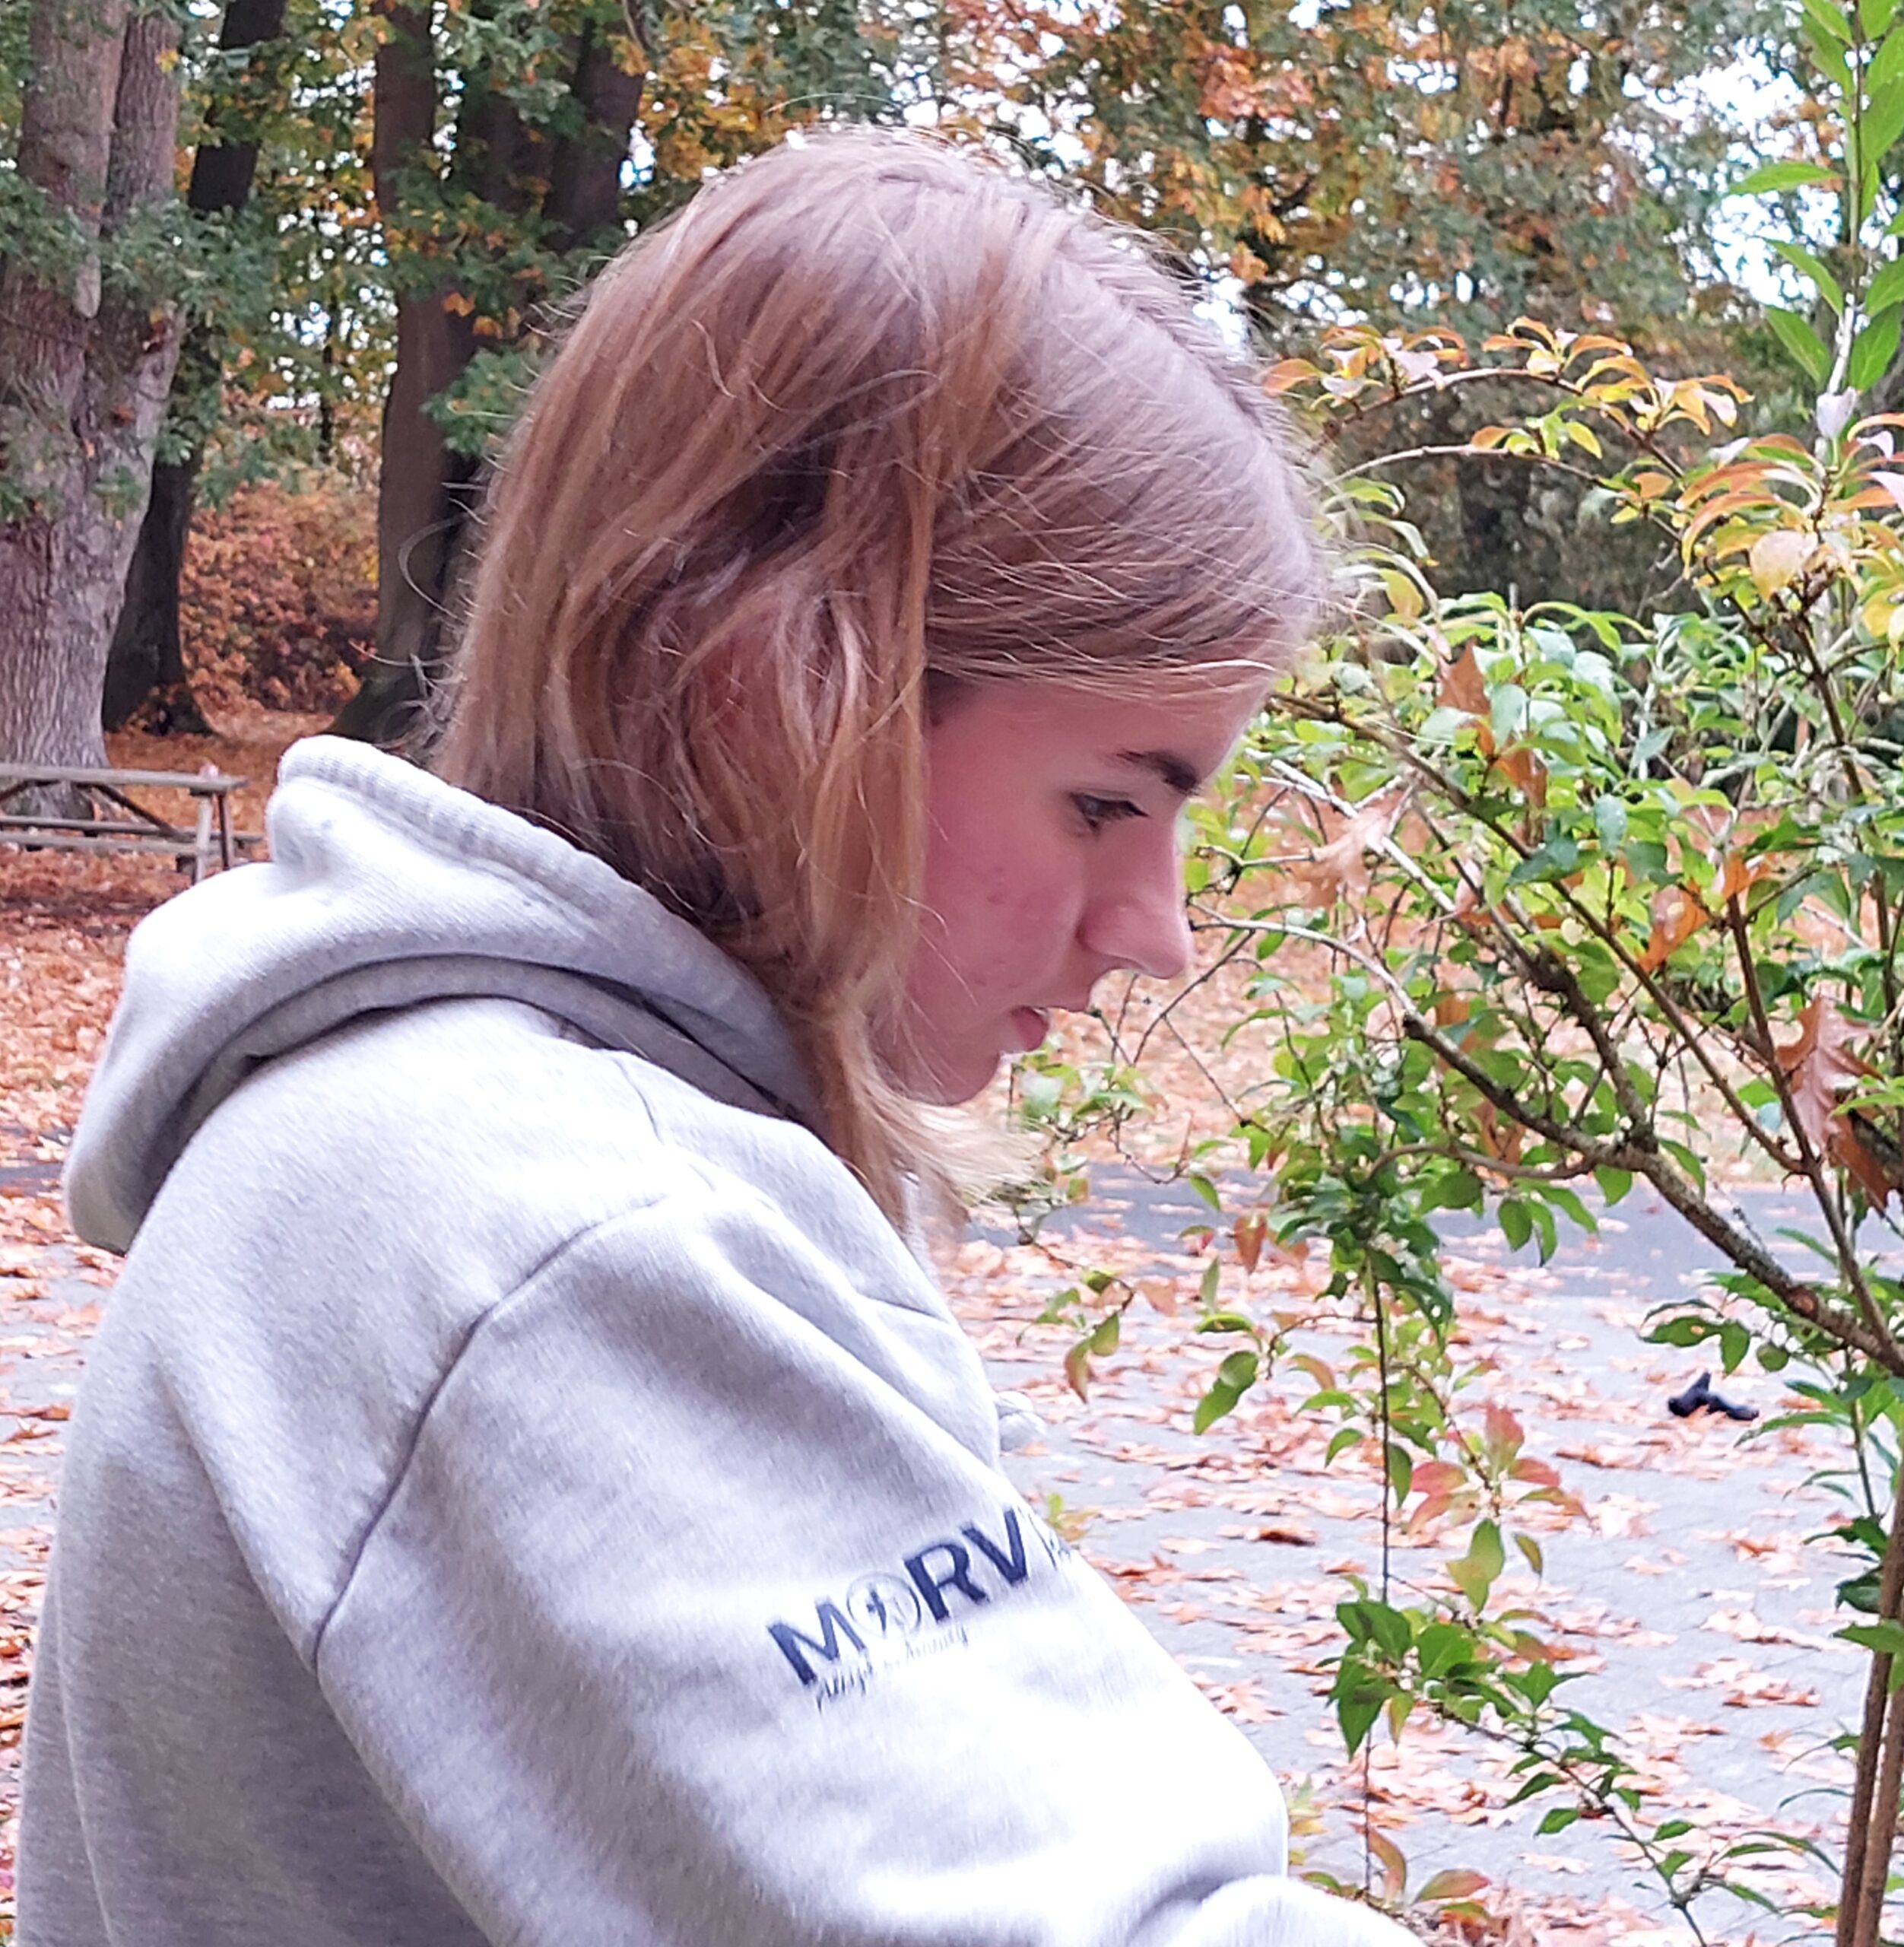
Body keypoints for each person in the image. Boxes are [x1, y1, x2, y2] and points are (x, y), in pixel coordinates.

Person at [19, 131, 1415, 1945]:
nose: (1155, 928)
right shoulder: (546, 1233)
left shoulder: (421, 1143)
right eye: (1101, 802)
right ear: (783, 684)